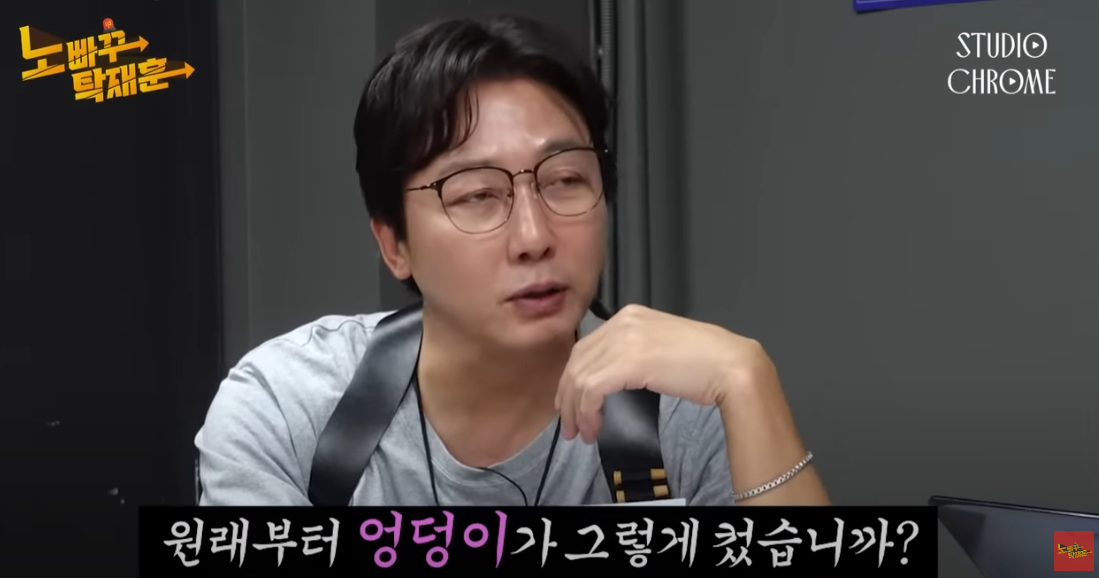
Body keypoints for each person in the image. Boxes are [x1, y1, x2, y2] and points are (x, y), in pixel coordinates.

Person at [195, 15, 830, 507]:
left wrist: (747, 378)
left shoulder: (686, 414)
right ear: (394, 245)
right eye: (476, 195)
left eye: (565, 180)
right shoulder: (289, 408)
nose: (534, 236)